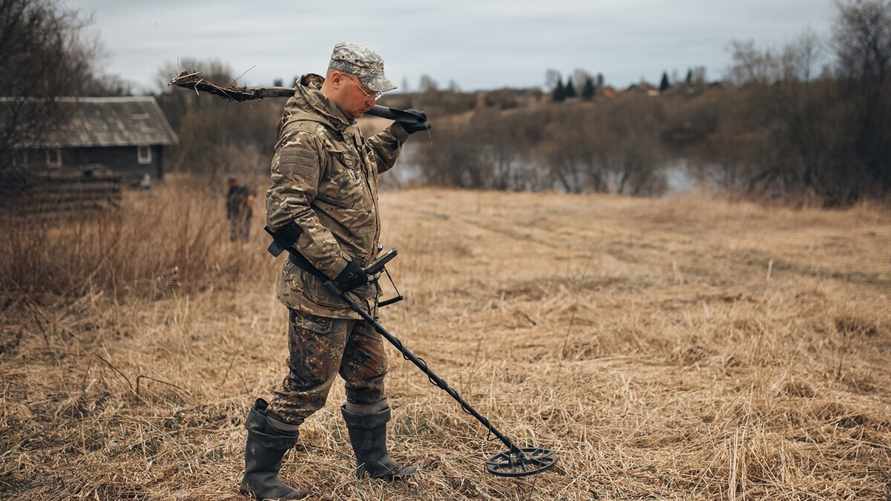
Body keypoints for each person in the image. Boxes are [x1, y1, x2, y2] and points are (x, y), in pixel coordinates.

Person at [240, 42, 430, 500]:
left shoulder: (344, 128)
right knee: (307, 387)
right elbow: (286, 212)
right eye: (367, 90)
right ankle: (259, 478)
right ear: (337, 79)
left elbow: (366, 166)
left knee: (369, 375)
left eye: (378, 93)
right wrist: (337, 265)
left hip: (357, 284)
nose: (373, 99)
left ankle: (374, 463)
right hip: (320, 287)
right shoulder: (305, 134)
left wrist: (398, 133)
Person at [226, 176, 253, 241]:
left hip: (244, 213)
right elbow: (228, 204)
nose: (230, 184)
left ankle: (244, 240)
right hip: (235, 213)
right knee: (234, 228)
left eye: (232, 182)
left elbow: (249, 199)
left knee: (244, 228)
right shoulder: (230, 191)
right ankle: (234, 240)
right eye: (229, 183)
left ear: (235, 182)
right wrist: (229, 213)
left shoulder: (243, 189)